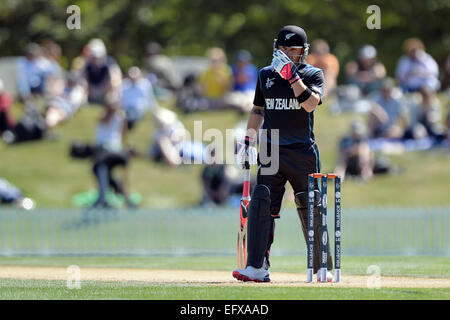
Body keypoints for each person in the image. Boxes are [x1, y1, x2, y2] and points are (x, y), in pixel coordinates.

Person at [232, 25, 333, 283]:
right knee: (261, 204)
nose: (287, 53)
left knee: (311, 206)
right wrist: (247, 142)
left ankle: (323, 267)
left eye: (293, 48)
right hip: (270, 151)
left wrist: (292, 78)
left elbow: (310, 105)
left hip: (302, 150)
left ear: (303, 51)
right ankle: (256, 267)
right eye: (284, 48)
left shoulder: (313, 74)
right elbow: (257, 111)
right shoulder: (265, 74)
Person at [90, 96, 134, 209]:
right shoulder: (105, 116)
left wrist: (122, 118)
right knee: (104, 173)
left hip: (113, 150)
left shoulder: (120, 117)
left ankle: (102, 199)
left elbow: (124, 133)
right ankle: (125, 199)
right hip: (103, 150)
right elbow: (105, 121)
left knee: (100, 166)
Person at [83, 39, 122, 106]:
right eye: (93, 57)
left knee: (114, 85)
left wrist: (109, 88)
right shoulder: (88, 64)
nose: (95, 60)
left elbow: (116, 80)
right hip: (92, 92)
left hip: (105, 92)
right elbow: (83, 80)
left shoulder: (110, 62)